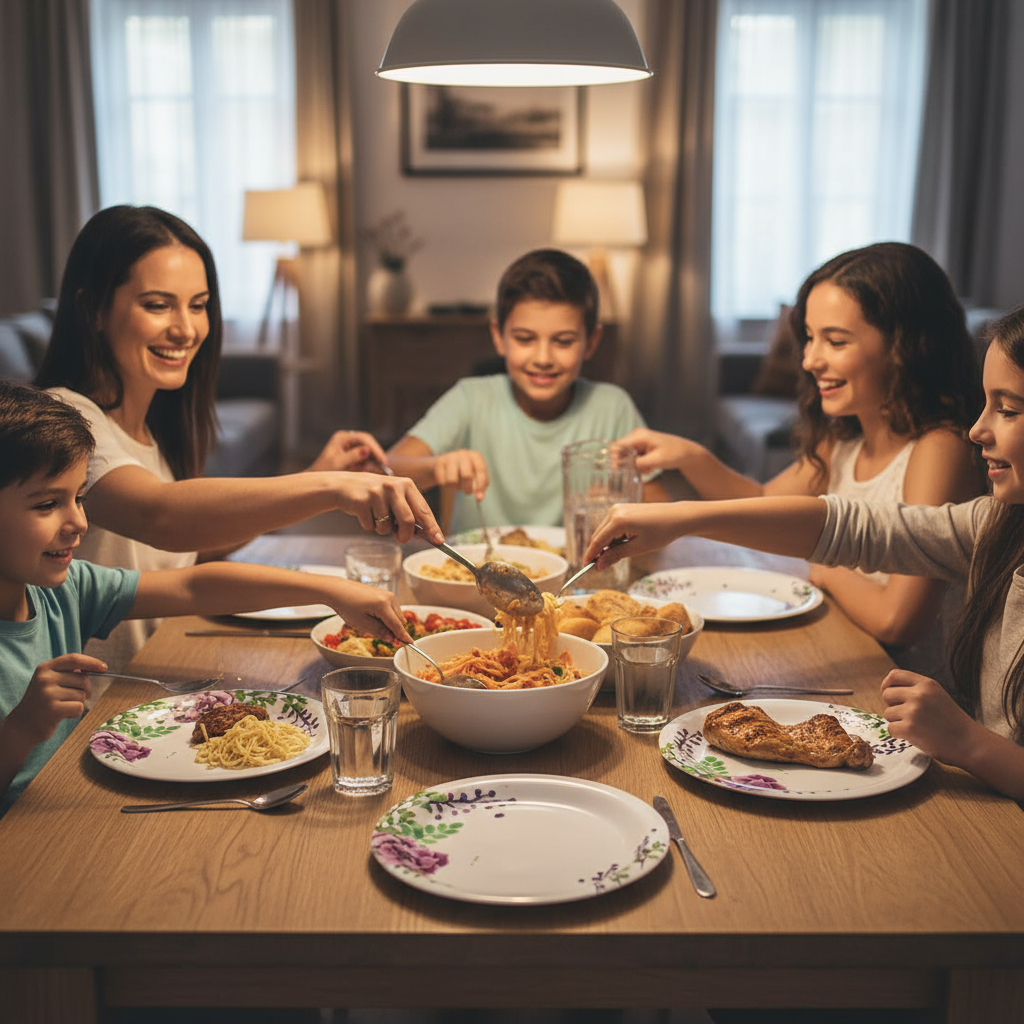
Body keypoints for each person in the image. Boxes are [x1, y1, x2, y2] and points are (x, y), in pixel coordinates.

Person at [585, 306, 1024, 800]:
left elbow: (894, 612)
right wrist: (684, 517)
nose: (977, 431)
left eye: (1008, 409)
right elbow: (853, 525)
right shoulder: (996, 523)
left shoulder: (954, 466)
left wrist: (969, 742)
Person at [34, 205, 442, 671]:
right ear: (94, 310)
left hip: (156, 671)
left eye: (199, 305)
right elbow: (160, 517)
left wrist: (313, 476)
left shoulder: (153, 425)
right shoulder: (66, 417)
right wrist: (330, 488)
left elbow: (189, 551)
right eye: (157, 304)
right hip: (93, 707)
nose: (186, 329)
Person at [0, 381, 413, 815]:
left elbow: (192, 586)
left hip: (74, 804)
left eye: (79, 499)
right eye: (47, 504)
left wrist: (332, 591)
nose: (78, 523)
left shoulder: (66, 590)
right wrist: (20, 730)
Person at [615, 242, 984, 684]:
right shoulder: (844, 439)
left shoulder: (939, 448)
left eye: (836, 340)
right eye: (809, 338)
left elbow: (897, 621)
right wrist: (690, 457)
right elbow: (764, 502)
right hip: (852, 652)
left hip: (910, 693)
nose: (810, 360)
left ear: (906, 345)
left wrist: (825, 565)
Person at [386, 248, 669, 535]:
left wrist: (623, 493)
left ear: (592, 342)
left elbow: (661, 507)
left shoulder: (613, 407)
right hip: (472, 570)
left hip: (574, 573)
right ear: (499, 337)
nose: (543, 358)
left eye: (563, 341)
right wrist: (436, 468)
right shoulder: (471, 398)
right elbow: (383, 471)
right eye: (525, 339)